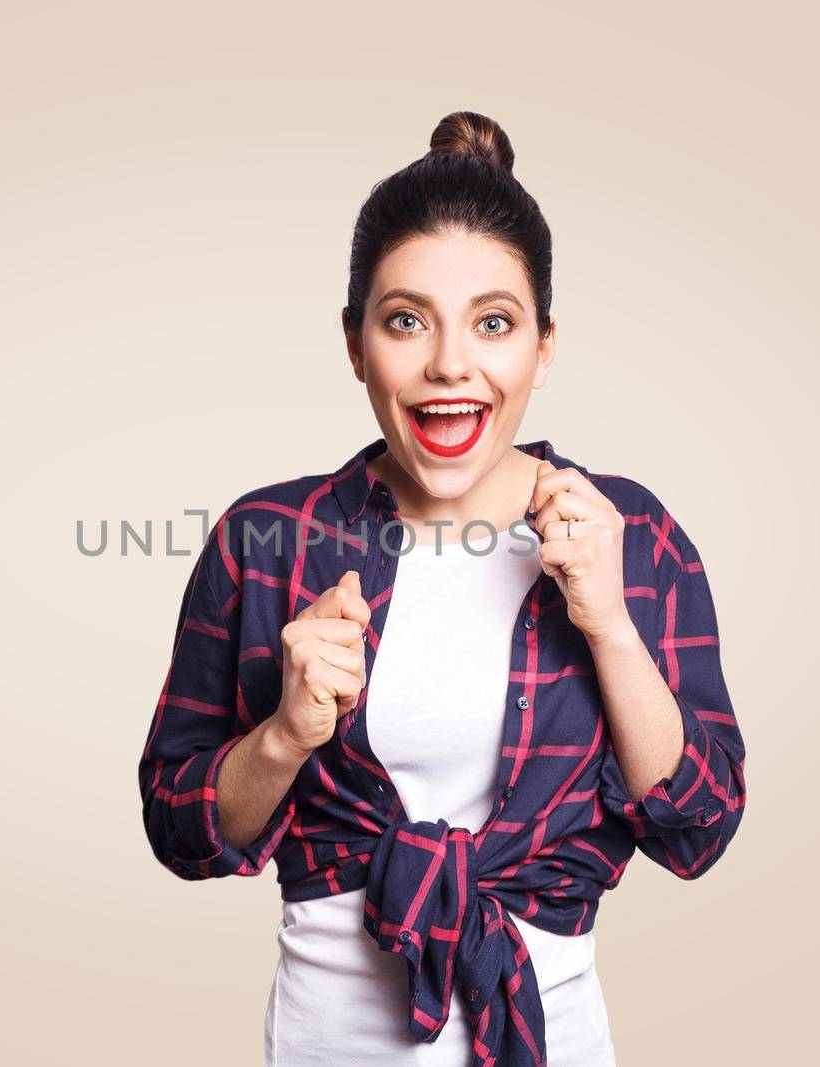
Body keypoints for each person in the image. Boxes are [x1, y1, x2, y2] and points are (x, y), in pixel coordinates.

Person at [137, 111, 748, 1066]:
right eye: (406, 320)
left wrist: (612, 627)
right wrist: (286, 733)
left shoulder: (628, 535)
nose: (450, 364)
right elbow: (181, 828)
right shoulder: (266, 542)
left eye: (494, 323)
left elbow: (699, 828)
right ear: (355, 344)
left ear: (543, 348)